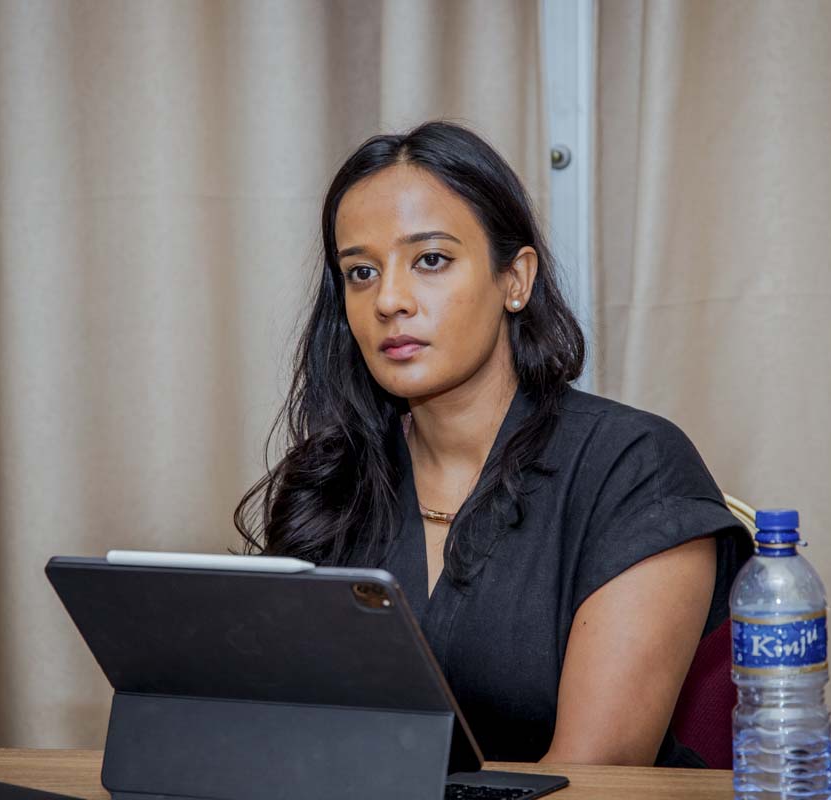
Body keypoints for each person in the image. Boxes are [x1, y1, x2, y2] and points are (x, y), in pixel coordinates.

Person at [235, 120, 752, 767]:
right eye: (361, 272)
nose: (389, 300)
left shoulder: (635, 466)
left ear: (516, 278)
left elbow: (592, 773)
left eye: (430, 260)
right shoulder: (329, 484)